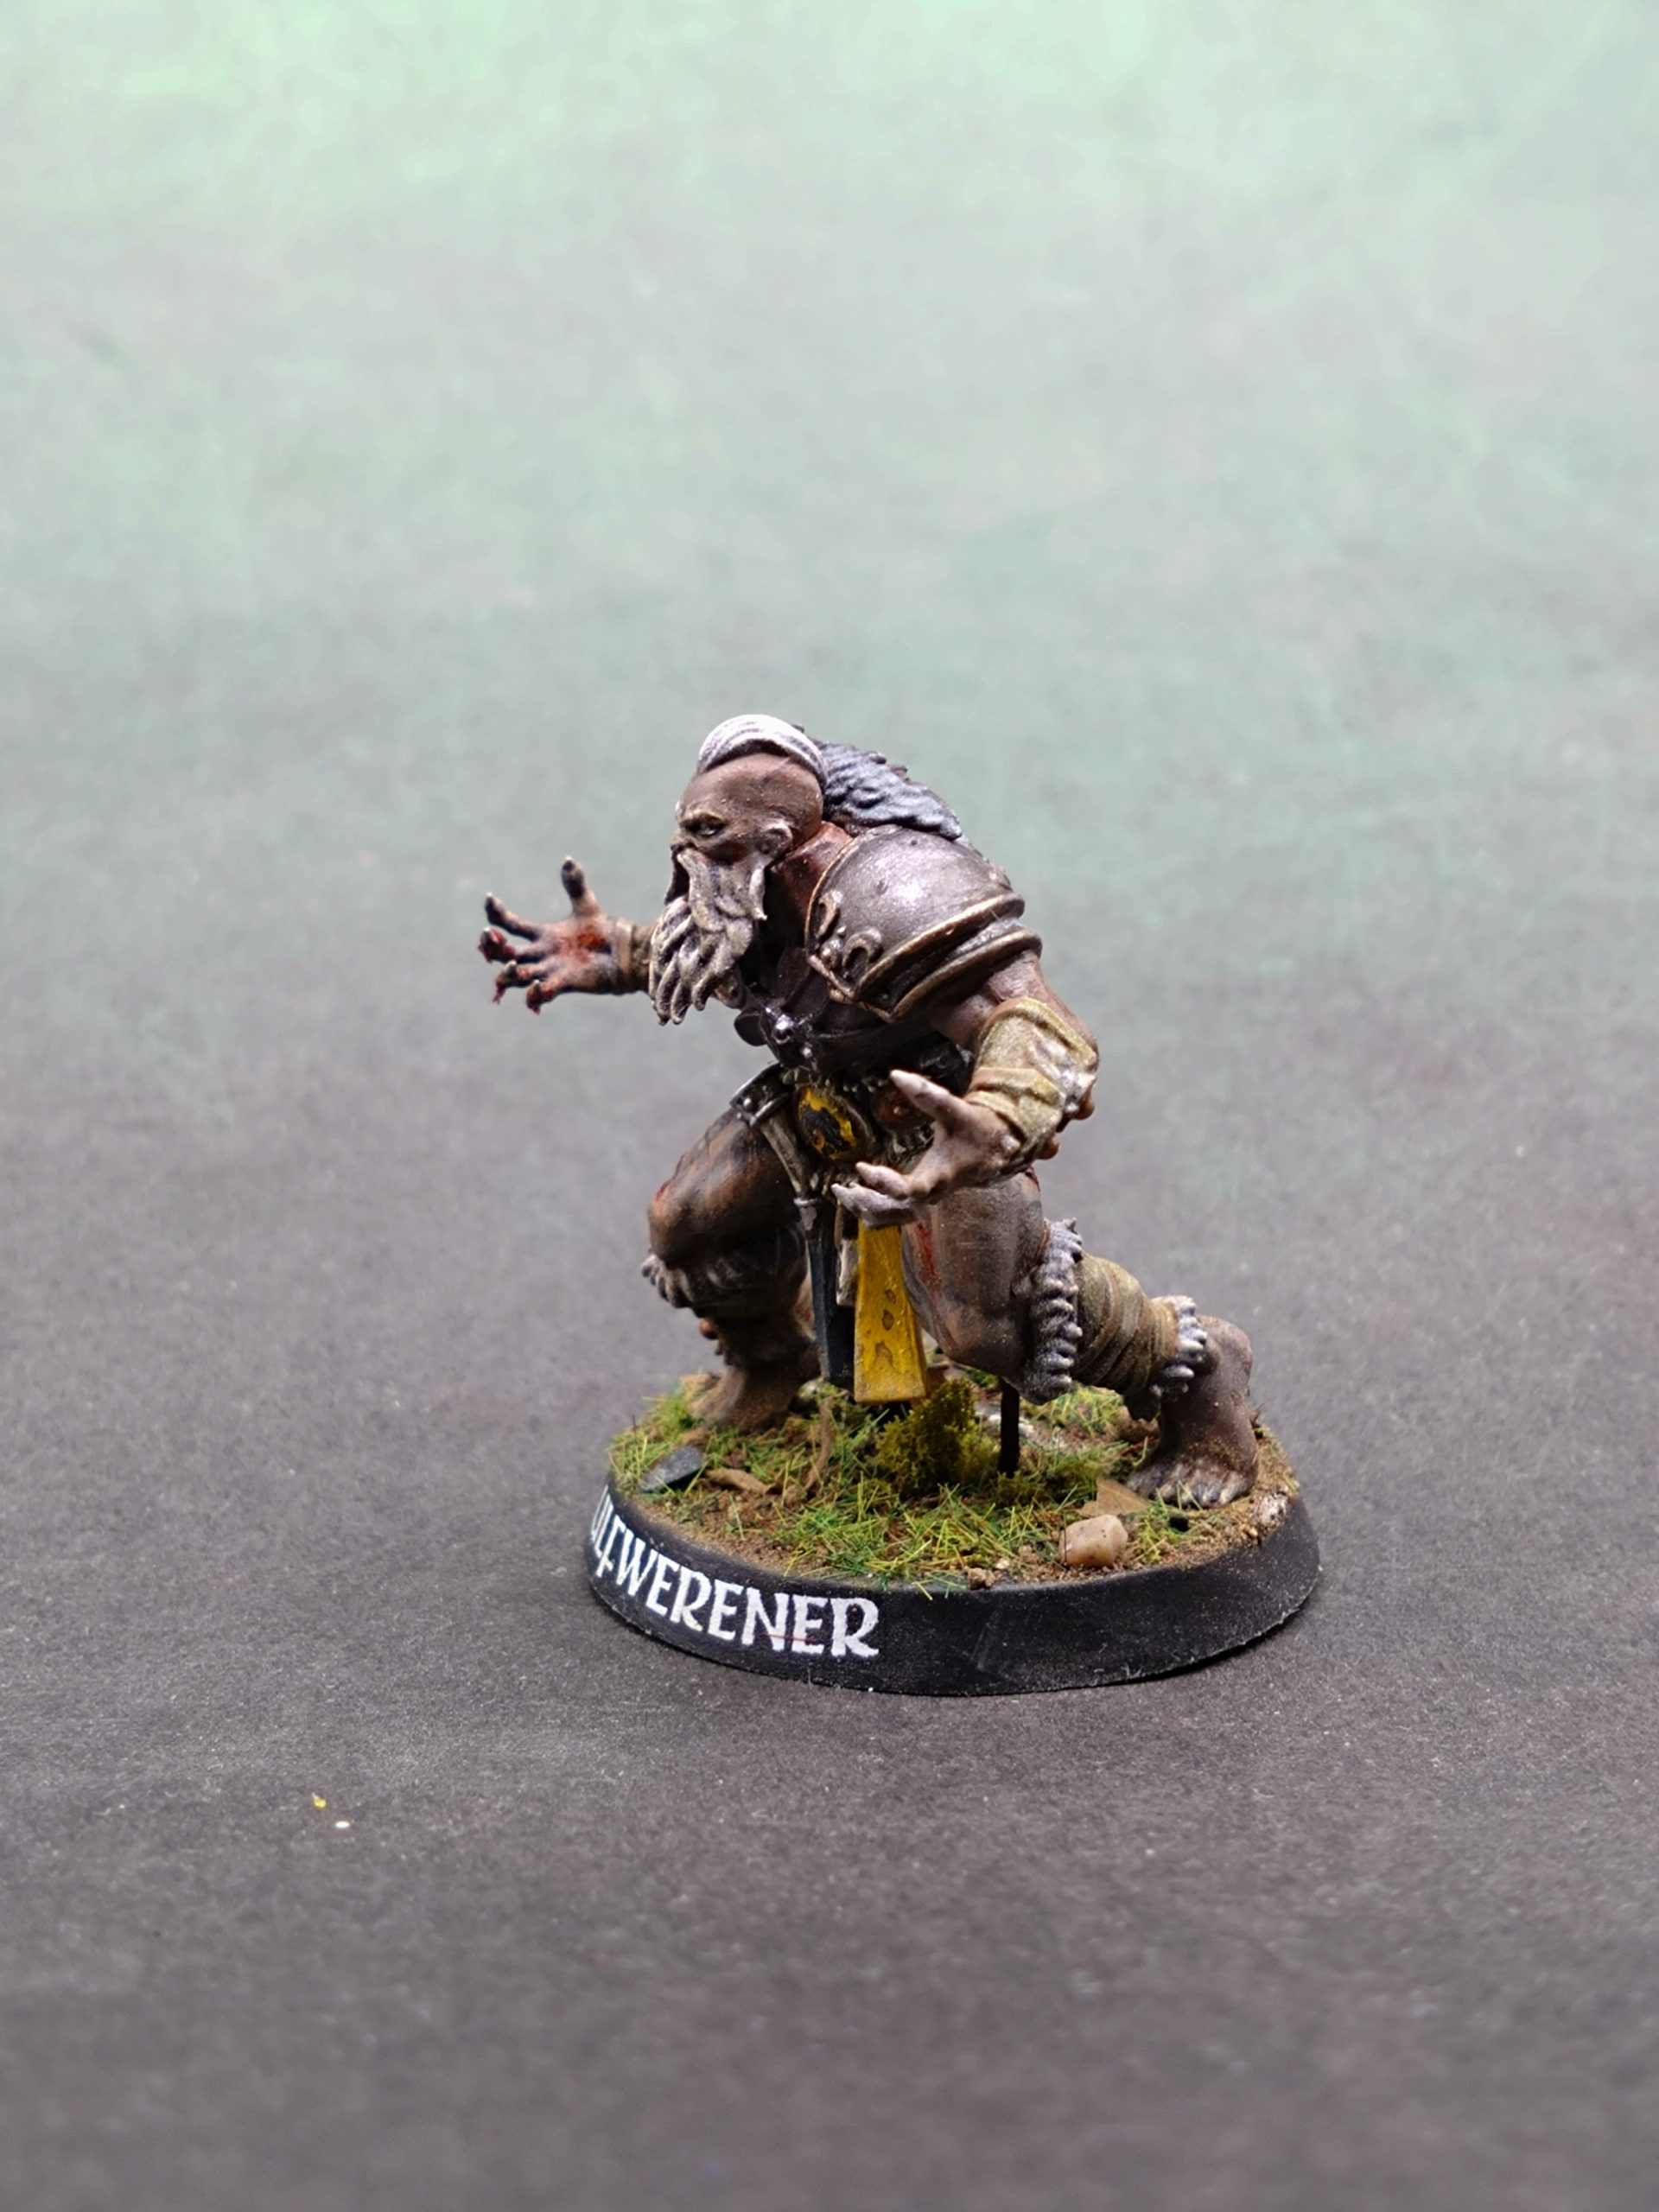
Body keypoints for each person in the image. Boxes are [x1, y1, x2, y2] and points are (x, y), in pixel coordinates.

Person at [480, 715, 1258, 1503]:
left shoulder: (898, 893)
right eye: (686, 829)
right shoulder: (742, 890)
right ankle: (773, 1359)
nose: (686, 852)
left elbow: (1036, 1022)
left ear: (775, 838)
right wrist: (615, 951)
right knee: (684, 1221)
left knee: (980, 1328)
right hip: (820, 1109)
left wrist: (994, 1118)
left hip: (935, 1125)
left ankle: (1195, 1369)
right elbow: (701, 945)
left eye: (707, 831)